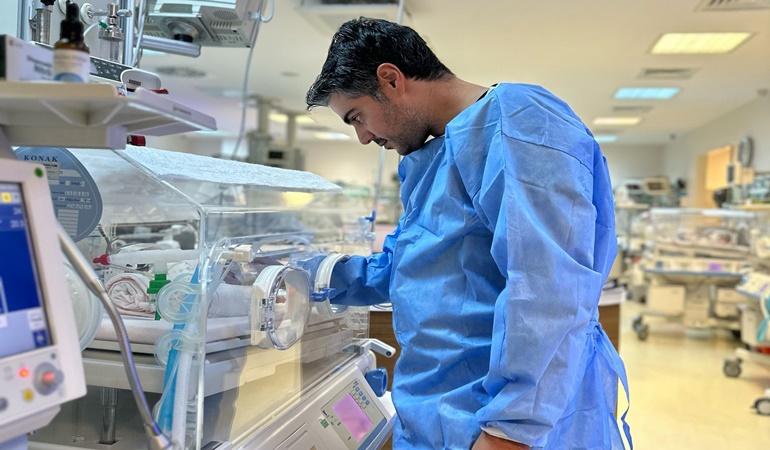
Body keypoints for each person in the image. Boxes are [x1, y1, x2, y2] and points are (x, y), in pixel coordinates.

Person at [304, 17, 632, 450]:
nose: (363, 137)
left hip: (501, 422)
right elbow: (409, 267)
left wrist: (511, 429)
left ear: (391, 79)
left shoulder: (517, 121)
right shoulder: (430, 161)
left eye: (357, 117)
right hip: (436, 412)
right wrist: (308, 274)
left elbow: (550, 288)